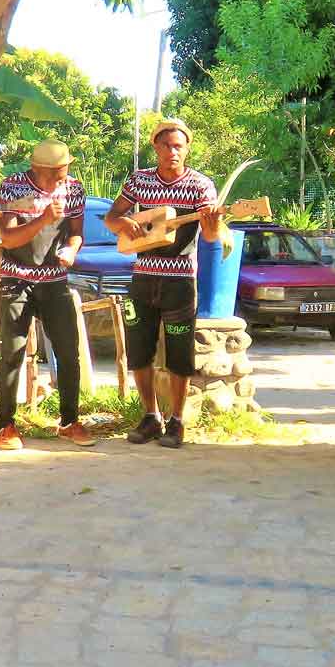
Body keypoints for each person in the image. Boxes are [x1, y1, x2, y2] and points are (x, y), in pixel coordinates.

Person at [105, 118, 225, 449]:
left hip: (180, 282)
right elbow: (111, 218)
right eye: (167, 145)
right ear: (155, 147)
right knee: (139, 350)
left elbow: (210, 236)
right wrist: (125, 223)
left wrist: (212, 220)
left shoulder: (201, 186)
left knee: (179, 353)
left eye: (179, 146)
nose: (173, 151)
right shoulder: (140, 181)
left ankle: (177, 421)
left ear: (187, 149)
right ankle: (151, 417)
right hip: (143, 278)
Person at [0, 139, 94, 449]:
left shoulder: (74, 189)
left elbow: (76, 233)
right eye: (55, 175)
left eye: (64, 172)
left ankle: (69, 421)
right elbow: (8, 239)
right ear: (37, 169)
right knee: (12, 352)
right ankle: (6, 425)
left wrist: (72, 250)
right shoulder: (13, 187)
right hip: (17, 278)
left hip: (55, 279)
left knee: (68, 350)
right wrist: (43, 220)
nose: (60, 180)